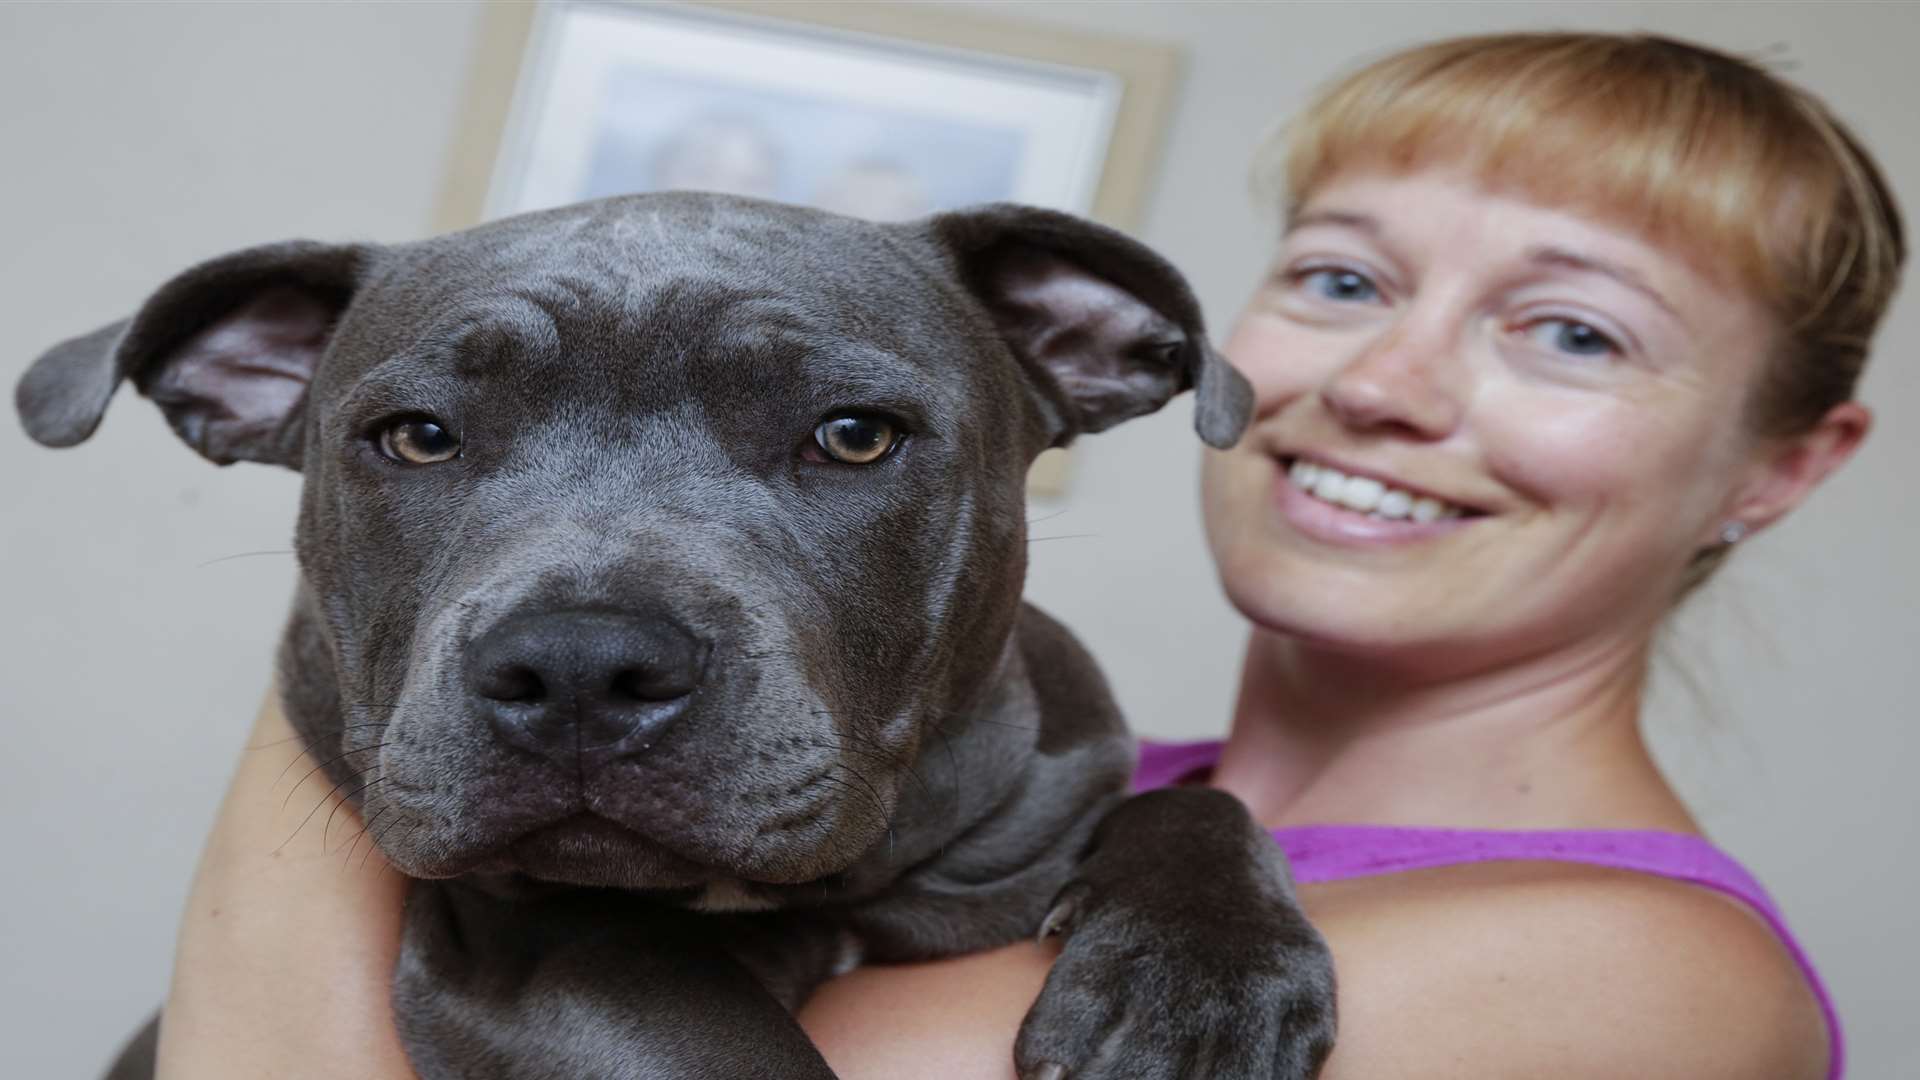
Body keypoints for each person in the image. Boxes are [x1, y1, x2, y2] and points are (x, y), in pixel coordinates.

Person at [151, 31, 1902, 1080]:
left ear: (1786, 465)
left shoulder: (1624, 977)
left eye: (1575, 333)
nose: (1383, 385)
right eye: (1349, 281)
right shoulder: (1075, 794)